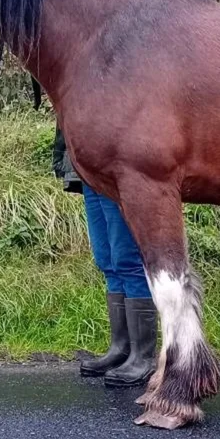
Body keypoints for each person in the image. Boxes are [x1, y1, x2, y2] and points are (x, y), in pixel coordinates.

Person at [52, 127, 158, 386]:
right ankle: (120, 349)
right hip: (87, 168)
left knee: (127, 259)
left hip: (115, 167)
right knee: (107, 260)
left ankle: (143, 358)